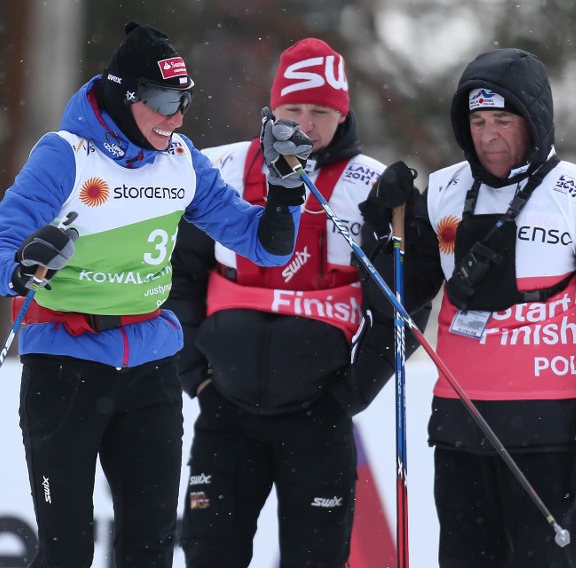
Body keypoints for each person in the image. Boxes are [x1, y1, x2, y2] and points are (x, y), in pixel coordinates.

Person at [0, 21, 313, 568]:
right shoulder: (66, 155)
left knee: (149, 549)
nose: (175, 117)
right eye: (160, 101)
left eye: (183, 100)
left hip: (150, 369)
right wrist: (21, 267)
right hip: (65, 366)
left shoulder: (181, 160)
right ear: (122, 94)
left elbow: (264, 246)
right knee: (66, 553)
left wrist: (285, 190)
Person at [363, 48, 576, 567]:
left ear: (535, 121)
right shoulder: (444, 195)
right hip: (459, 434)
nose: (488, 134)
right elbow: (396, 299)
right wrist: (379, 226)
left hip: (550, 441)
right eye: (477, 121)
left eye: (503, 119)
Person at [164, 37, 431, 567]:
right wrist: (194, 373)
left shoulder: (371, 186)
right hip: (226, 411)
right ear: (273, 108)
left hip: (319, 418)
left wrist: (353, 392)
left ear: (343, 113)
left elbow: (406, 303)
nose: (306, 125)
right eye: (293, 109)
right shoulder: (221, 169)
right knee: (208, 554)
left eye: (320, 112)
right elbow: (177, 275)